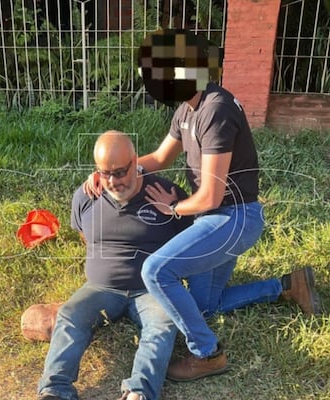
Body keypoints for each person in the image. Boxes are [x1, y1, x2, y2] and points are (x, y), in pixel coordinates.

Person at [85, 29, 322, 384]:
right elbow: (161, 158)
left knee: (156, 271)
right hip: (215, 220)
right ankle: (288, 285)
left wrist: (175, 208)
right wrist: (114, 172)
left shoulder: (216, 109)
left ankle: (207, 353)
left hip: (234, 219)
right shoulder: (187, 109)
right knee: (204, 305)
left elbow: (210, 197)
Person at [38, 131, 193, 400]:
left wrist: (175, 208)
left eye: (120, 172)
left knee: (162, 324)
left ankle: (138, 392)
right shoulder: (86, 197)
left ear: (135, 161)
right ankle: (54, 390)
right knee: (70, 316)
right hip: (101, 288)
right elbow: (85, 236)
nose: (112, 181)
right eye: (105, 172)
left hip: (151, 289)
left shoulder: (164, 193)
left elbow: (192, 239)